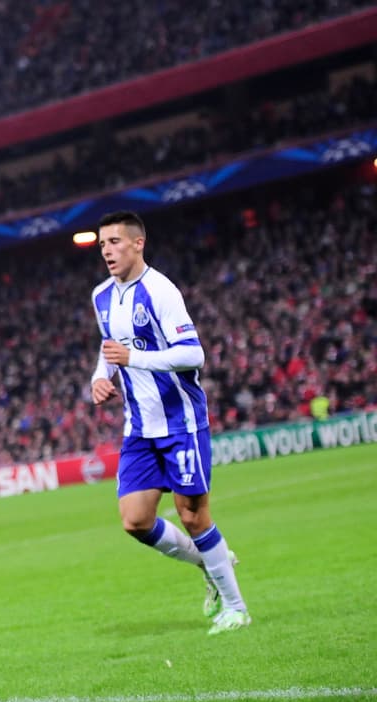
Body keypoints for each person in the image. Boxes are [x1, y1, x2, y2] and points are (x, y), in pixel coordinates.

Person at [89, 210, 251, 635]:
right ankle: (210, 563)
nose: (107, 250)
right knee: (135, 520)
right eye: (103, 243)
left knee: (193, 516)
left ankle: (236, 607)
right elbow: (108, 349)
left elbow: (193, 354)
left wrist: (134, 359)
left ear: (138, 243)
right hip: (139, 427)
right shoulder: (101, 295)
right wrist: (100, 378)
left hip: (181, 422)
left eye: (115, 242)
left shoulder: (161, 291)